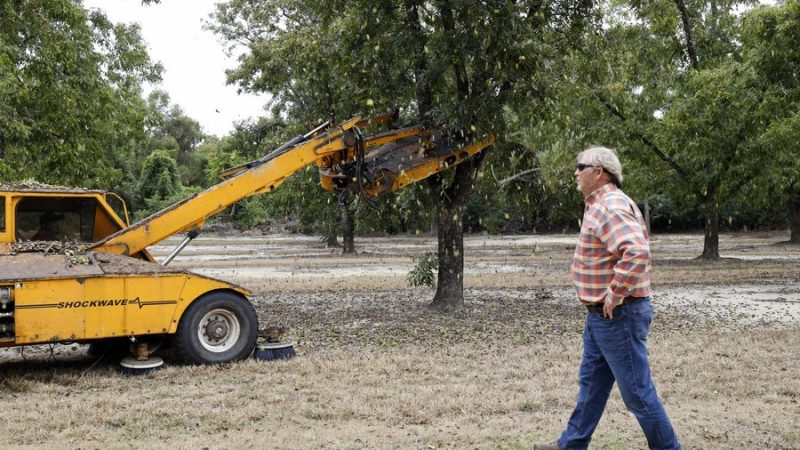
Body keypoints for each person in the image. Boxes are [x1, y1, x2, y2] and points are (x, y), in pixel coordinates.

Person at [534, 146, 681, 450]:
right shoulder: (600, 204)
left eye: (580, 166)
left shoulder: (609, 205)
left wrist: (614, 294)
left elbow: (637, 252)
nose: (575, 172)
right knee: (592, 386)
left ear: (598, 172)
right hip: (601, 316)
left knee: (638, 394)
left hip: (618, 315)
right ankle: (570, 445)